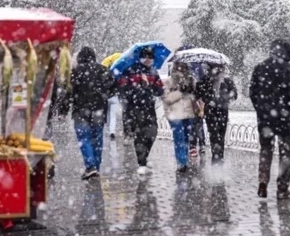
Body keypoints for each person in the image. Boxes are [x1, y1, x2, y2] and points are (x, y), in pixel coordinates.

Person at [250, 39, 290, 200]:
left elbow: (253, 93)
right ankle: (282, 188)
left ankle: (263, 180)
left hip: (265, 118)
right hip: (285, 119)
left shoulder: (260, 68)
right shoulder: (289, 70)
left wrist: (261, 109)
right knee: (285, 153)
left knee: (266, 150)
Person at [70, 47, 116, 180]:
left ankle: (90, 166)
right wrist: (103, 95)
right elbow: (113, 88)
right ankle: (96, 165)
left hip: (81, 110)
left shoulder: (76, 72)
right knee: (97, 138)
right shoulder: (103, 70)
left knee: (84, 138)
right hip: (99, 110)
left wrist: (63, 108)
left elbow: (70, 91)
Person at [118, 46, 164, 175]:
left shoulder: (154, 72)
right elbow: (123, 89)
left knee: (153, 132)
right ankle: (141, 162)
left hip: (149, 107)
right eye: (146, 57)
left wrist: (149, 87)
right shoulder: (130, 70)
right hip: (134, 108)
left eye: (151, 57)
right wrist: (138, 87)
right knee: (139, 134)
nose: (148, 60)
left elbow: (159, 90)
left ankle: (145, 156)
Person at [196, 63, 237, 165]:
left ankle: (219, 158)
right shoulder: (206, 80)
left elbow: (234, 94)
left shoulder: (226, 80)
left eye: (219, 68)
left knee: (221, 136)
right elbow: (198, 93)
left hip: (223, 111)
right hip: (211, 111)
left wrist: (224, 98)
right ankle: (216, 158)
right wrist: (208, 98)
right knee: (214, 135)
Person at [162, 62, 197, 173]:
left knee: (186, 138)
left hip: (188, 113)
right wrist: (180, 92)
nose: (181, 71)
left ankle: (184, 160)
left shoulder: (191, 80)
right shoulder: (168, 81)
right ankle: (181, 163)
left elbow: (194, 97)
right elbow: (167, 99)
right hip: (175, 115)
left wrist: (192, 91)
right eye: (179, 68)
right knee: (179, 138)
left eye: (184, 68)